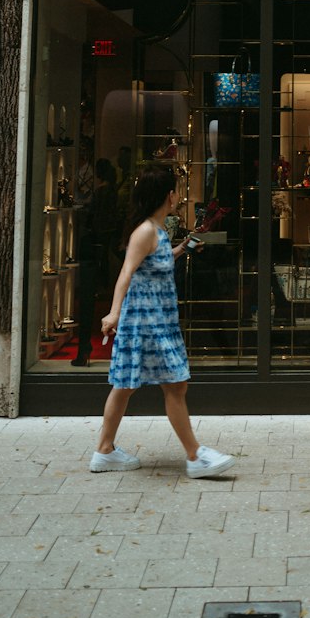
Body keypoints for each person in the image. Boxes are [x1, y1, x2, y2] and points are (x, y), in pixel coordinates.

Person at [91, 164, 237, 479]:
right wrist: (114, 311)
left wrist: (183, 248)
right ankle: (195, 456)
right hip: (148, 322)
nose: (179, 196)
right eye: (177, 191)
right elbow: (126, 273)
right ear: (169, 195)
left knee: (127, 385)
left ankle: (104, 449)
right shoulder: (145, 231)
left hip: (154, 320)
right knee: (174, 384)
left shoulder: (155, 231)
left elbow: (153, 261)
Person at [71, 158, 120, 367]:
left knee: (89, 286)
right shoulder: (110, 191)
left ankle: (84, 348)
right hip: (104, 236)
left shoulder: (102, 191)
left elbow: (95, 214)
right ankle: (84, 349)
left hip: (96, 239)